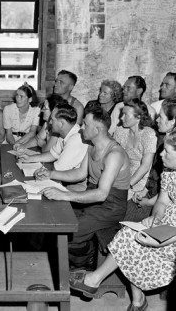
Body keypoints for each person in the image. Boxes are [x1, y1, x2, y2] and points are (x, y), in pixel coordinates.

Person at [69, 129, 176, 311]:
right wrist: (155, 217)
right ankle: (121, 293)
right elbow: (162, 201)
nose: (161, 154)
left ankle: (105, 285)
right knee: (128, 233)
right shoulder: (169, 172)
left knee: (138, 246)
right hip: (165, 224)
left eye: (167, 152)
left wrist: (158, 242)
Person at [38, 107, 130, 270]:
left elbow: (102, 194)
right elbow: (80, 174)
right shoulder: (91, 146)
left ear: (98, 129)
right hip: (92, 198)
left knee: (68, 231)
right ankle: (77, 258)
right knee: (54, 217)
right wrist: (51, 174)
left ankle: (87, 258)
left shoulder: (114, 154)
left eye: (85, 124)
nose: (81, 128)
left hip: (110, 207)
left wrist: (66, 195)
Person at [132, 99, 176, 221]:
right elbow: (156, 174)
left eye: (160, 117)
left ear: (172, 122)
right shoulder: (165, 141)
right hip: (156, 198)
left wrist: (149, 202)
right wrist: (145, 190)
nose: (156, 120)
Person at [18, 103, 88, 174]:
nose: (50, 122)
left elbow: (57, 169)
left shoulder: (75, 139)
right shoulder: (65, 133)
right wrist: (29, 158)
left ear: (61, 123)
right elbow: (52, 154)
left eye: (52, 120)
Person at [113, 98, 157, 201]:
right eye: (122, 114)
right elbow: (115, 157)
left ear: (138, 117)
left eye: (125, 115)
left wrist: (127, 185)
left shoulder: (148, 134)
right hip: (121, 175)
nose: (121, 118)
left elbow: (145, 166)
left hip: (139, 181)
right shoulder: (120, 131)